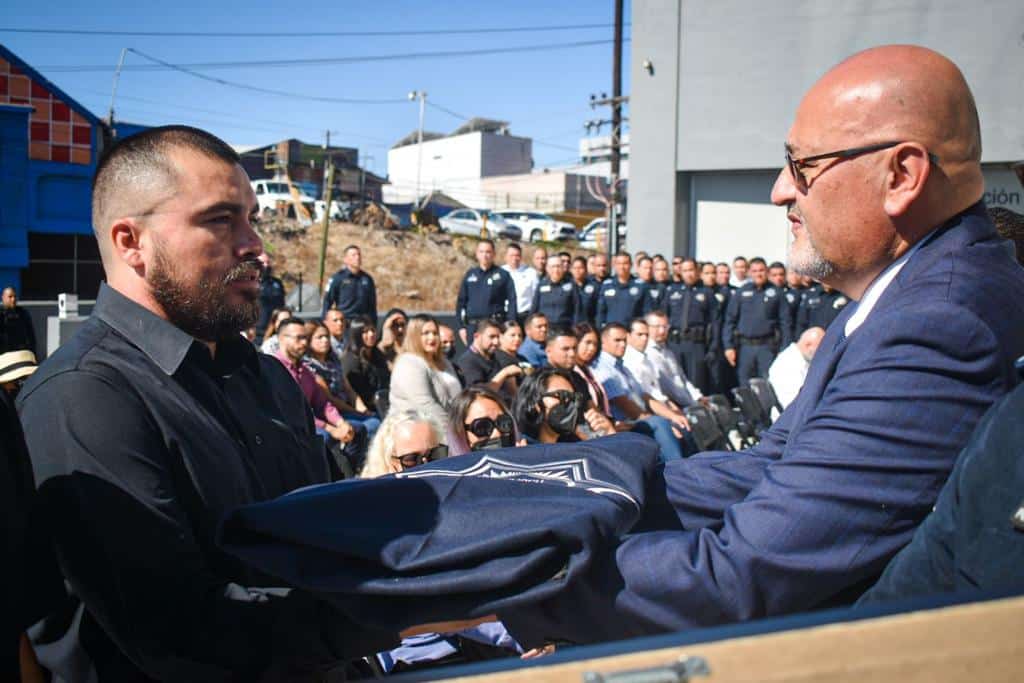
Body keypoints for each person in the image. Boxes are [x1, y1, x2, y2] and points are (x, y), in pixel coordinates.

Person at [495, 45, 1024, 647]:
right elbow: (767, 468)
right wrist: (557, 491)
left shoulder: (937, 323)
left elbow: (743, 574)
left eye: (801, 166)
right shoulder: (911, 296)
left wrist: (504, 582)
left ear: (901, 176)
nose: (779, 191)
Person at [17, 125, 396, 680]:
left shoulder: (264, 378)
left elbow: (319, 543)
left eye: (252, 219)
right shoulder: (83, 398)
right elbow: (178, 630)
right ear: (131, 243)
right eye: (220, 219)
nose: (254, 245)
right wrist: (400, 610)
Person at [275, 318, 368, 469]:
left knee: (356, 429)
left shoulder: (305, 371)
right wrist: (330, 428)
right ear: (281, 339)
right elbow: (293, 412)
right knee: (323, 438)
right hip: (289, 427)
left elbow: (322, 403)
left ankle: (348, 473)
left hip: (313, 423)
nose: (304, 343)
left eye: (305, 337)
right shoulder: (274, 369)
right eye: (298, 338)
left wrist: (340, 423)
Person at [592, 323, 689, 462]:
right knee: (660, 424)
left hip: (639, 418)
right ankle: (679, 470)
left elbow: (646, 397)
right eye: (617, 340)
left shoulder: (622, 367)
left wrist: (672, 416)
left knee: (683, 422)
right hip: (626, 424)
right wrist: (659, 422)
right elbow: (627, 407)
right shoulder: (603, 368)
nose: (623, 345)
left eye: (624, 340)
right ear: (604, 341)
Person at [307, 321, 380, 439]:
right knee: (364, 426)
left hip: (347, 409)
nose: (325, 340)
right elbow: (330, 399)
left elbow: (349, 390)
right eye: (319, 337)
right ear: (309, 341)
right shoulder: (309, 367)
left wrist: (363, 410)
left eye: (327, 336)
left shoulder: (333, 361)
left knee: (375, 420)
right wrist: (356, 412)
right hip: (330, 414)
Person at [723, 257, 790, 385]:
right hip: (744, 348)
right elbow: (730, 321)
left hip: (767, 348)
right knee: (744, 385)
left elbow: (785, 323)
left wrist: (784, 350)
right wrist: (729, 347)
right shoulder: (741, 292)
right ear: (749, 273)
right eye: (754, 271)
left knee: (767, 385)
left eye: (761, 270)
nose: (758, 274)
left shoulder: (777, 293)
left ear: (767, 272)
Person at [389, 314, 462, 429]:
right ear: (414, 336)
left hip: (452, 427)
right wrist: (454, 432)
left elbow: (458, 398)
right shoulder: (408, 363)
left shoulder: (444, 361)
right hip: (416, 433)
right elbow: (426, 406)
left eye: (435, 333)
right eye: (426, 333)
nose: (432, 338)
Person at [543, 326, 617, 439]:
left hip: (589, 436)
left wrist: (608, 430)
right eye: (565, 349)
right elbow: (562, 421)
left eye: (574, 348)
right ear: (548, 351)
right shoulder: (543, 380)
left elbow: (593, 410)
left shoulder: (577, 378)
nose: (572, 354)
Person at [665, 258, 718, 394]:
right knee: (675, 383)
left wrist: (713, 348)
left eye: (691, 270)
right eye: (685, 270)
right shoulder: (672, 291)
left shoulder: (707, 293)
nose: (688, 274)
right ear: (680, 272)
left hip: (696, 345)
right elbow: (664, 318)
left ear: (697, 271)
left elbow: (715, 323)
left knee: (696, 384)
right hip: (675, 343)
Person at [456, 240, 517, 345]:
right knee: (473, 359)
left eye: (488, 252)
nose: (485, 255)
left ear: (494, 254)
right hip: (473, 327)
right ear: (477, 254)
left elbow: (512, 301)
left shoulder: (503, 275)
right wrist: (461, 327)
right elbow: (461, 302)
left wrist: (509, 326)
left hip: (495, 325)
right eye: (482, 252)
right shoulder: (470, 275)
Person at [513, 368, 591, 444]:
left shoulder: (576, 446)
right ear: (534, 403)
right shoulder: (519, 447)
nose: (568, 403)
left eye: (573, 397)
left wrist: (597, 438)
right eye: (561, 395)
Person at [644, 310, 704, 409]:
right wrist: (691, 403)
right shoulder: (647, 353)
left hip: (687, 402)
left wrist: (698, 397)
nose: (662, 331)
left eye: (665, 327)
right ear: (647, 327)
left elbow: (682, 379)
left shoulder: (668, 352)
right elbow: (668, 388)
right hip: (673, 406)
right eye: (657, 327)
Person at [447, 386, 520, 456]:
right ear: (460, 434)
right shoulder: (445, 468)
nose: (497, 434)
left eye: (503, 423)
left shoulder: (526, 459)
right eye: (482, 427)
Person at [341, 315, 391, 416]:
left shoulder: (378, 354)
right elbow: (357, 392)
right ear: (356, 334)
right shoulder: (351, 360)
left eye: (372, 330)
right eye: (365, 332)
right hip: (365, 409)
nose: (371, 334)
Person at [455, 319, 523, 391]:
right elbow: (479, 393)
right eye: (492, 337)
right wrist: (505, 373)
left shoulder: (496, 357)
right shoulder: (468, 361)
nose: (496, 342)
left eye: (498, 337)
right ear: (476, 336)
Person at [768, 326, 825, 410]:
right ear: (808, 345)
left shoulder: (803, 359)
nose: (822, 354)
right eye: (820, 349)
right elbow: (795, 405)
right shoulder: (789, 364)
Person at [322, 244, 378, 325]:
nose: (357, 257)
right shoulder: (338, 278)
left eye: (359, 254)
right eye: (353, 255)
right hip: (345, 323)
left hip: (363, 324)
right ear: (346, 259)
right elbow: (327, 301)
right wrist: (326, 321)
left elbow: (372, 305)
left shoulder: (367, 279)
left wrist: (373, 323)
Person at [596, 252, 649, 328]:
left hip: (632, 331)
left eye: (625, 263)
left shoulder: (641, 286)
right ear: (614, 265)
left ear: (631, 265)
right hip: (612, 331)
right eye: (619, 264)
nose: (622, 267)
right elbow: (601, 312)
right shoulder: (607, 285)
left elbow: (646, 312)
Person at [532, 255, 582, 327]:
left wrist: (575, 326)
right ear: (547, 268)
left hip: (565, 328)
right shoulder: (541, 285)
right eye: (553, 266)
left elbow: (577, 309)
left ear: (563, 268)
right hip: (545, 328)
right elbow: (534, 307)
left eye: (558, 266)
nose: (556, 270)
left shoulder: (571, 285)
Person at [502, 242, 538, 326]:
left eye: (517, 255)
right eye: (511, 255)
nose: (515, 258)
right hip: (505, 315)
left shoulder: (531, 273)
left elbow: (535, 297)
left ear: (521, 257)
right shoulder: (500, 272)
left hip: (525, 316)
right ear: (506, 257)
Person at [256, 252, 285, 343]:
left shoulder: (277, 283)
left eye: (268, 262)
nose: (266, 266)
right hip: (255, 333)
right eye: (263, 263)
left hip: (273, 331)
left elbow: (281, 305)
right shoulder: (247, 283)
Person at [0, 287, 36, 356]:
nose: (13, 299)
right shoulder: (1, 315)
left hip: (21, 355)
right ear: (3, 298)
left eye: (15, 296)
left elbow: (31, 337)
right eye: (10, 297)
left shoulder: (23, 314)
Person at [571, 255, 600, 325]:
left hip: (589, 325)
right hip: (570, 326)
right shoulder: (567, 287)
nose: (577, 270)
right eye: (575, 268)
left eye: (580, 268)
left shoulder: (594, 287)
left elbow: (598, 309)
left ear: (586, 269)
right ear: (571, 270)